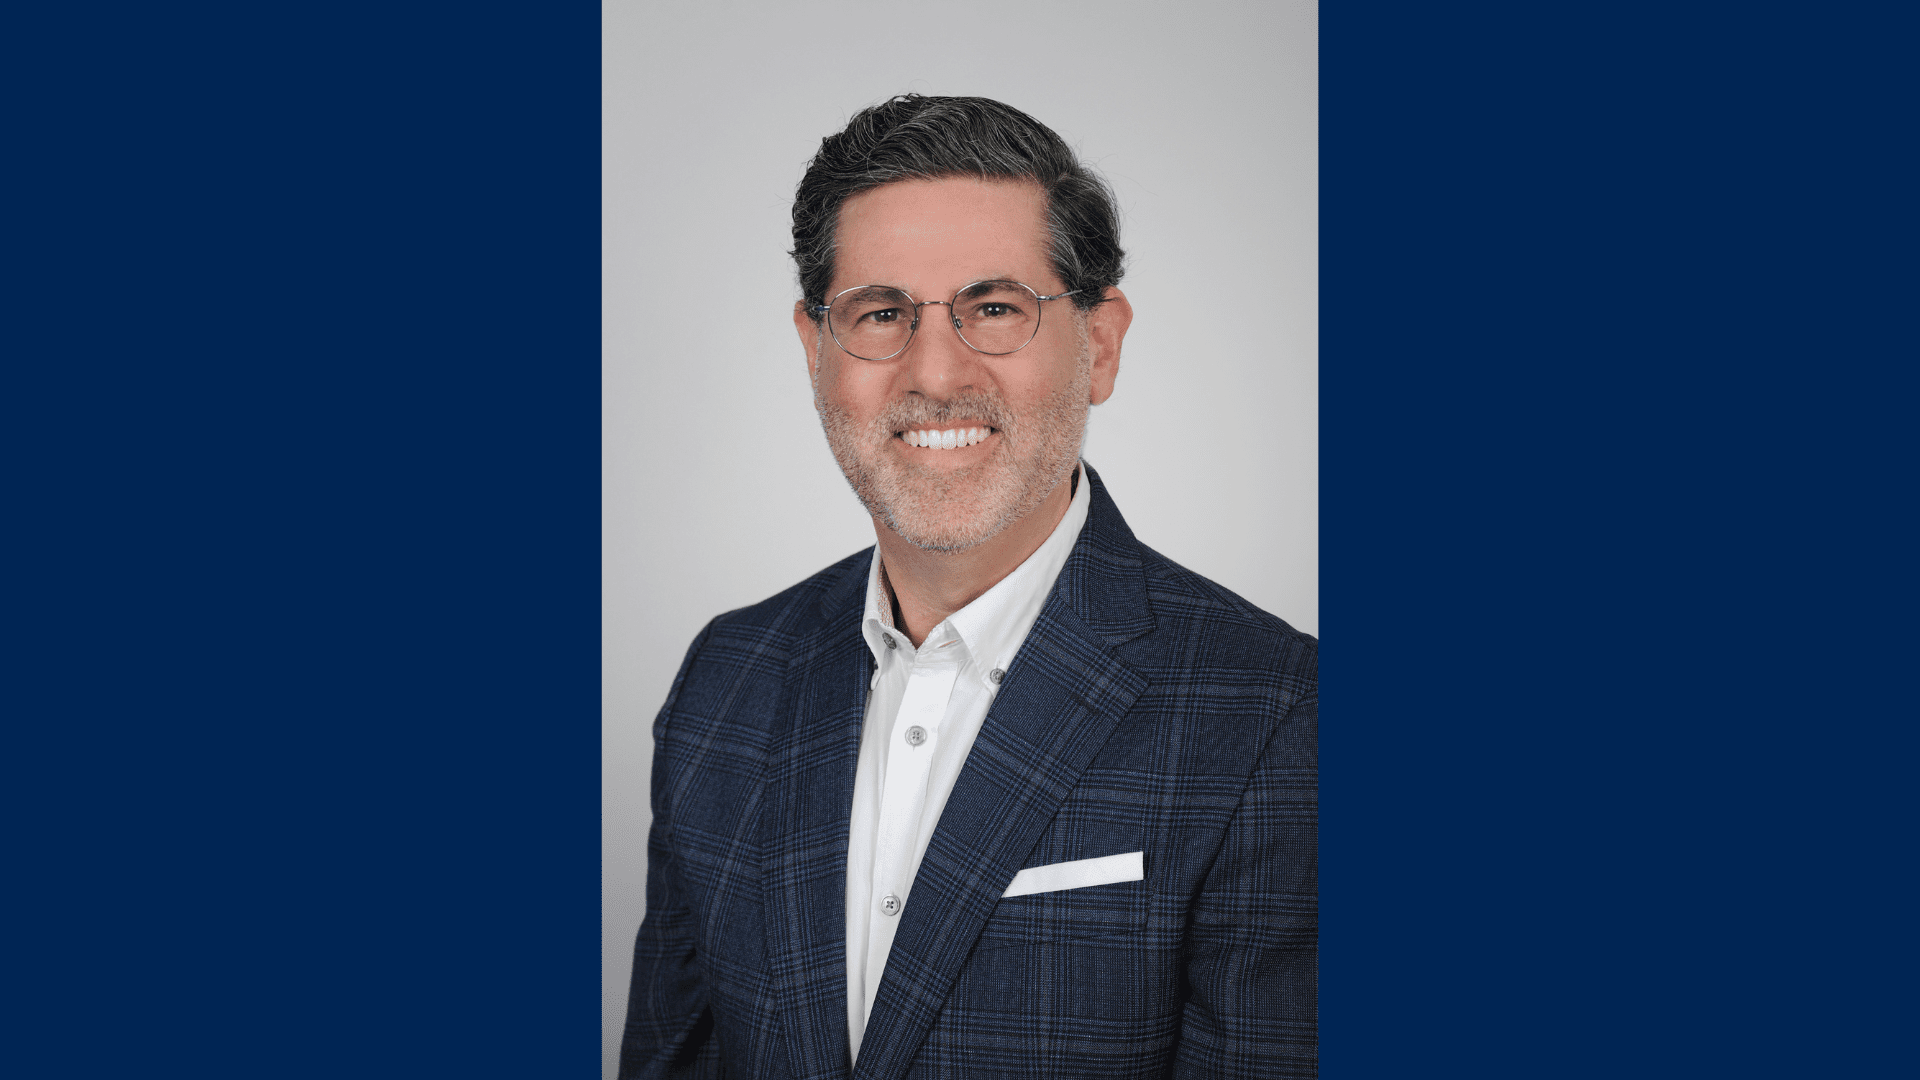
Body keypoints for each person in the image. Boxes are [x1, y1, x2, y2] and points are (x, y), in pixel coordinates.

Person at [620, 94, 1316, 1079]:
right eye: (880, 313)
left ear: (1100, 344)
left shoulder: (1276, 713)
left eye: (995, 308)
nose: (935, 373)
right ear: (816, 351)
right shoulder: (724, 682)